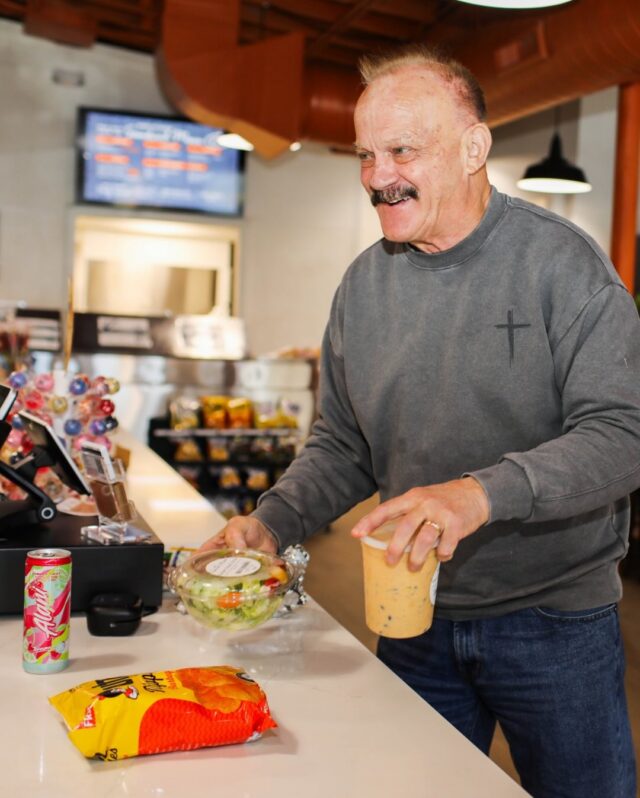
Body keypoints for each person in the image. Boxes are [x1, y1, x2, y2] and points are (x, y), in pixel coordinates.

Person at [200, 44, 640, 797]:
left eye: (402, 149)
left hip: (555, 624)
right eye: (366, 154)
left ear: (474, 147)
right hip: (413, 614)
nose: (378, 176)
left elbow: (621, 434)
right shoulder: (364, 287)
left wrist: (480, 494)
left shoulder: (563, 267)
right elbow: (344, 445)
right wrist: (269, 524)